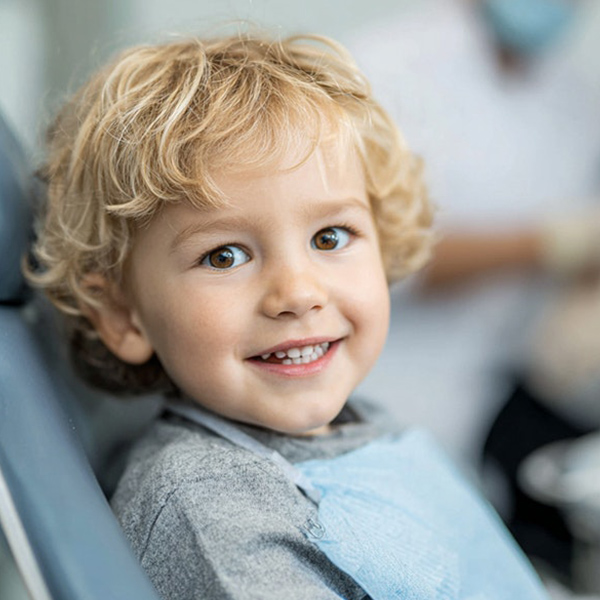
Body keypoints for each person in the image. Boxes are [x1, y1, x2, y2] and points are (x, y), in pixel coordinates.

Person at [27, 30, 551, 599]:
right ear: (124, 317)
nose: (298, 293)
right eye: (223, 256)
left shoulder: (361, 422)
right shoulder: (210, 508)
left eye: (330, 236)